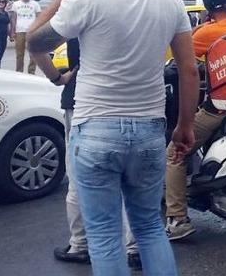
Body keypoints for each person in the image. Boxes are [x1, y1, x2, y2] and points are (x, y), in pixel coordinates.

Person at [26, 0, 198, 276]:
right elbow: (188, 69)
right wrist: (185, 126)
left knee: (104, 236)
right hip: (151, 131)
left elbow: (34, 40)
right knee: (150, 228)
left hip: (96, 132)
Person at [30, 37, 142, 269]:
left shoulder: (81, 5)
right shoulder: (141, 5)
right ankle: (136, 249)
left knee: (80, 177)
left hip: (83, 100)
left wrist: (58, 78)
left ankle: (81, 245)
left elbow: (35, 43)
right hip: (131, 99)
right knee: (129, 181)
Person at [165, 0, 226, 241]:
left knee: (175, 153)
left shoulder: (206, 33)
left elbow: (180, 62)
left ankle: (177, 219)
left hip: (221, 108)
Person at [10, 0, 41, 74]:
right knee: (19, 54)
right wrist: (12, 31)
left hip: (32, 31)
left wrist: (39, 29)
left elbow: (39, 17)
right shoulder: (16, 4)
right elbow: (13, 18)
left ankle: (31, 72)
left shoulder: (35, 4)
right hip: (20, 31)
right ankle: (19, 72)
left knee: (33, 53)